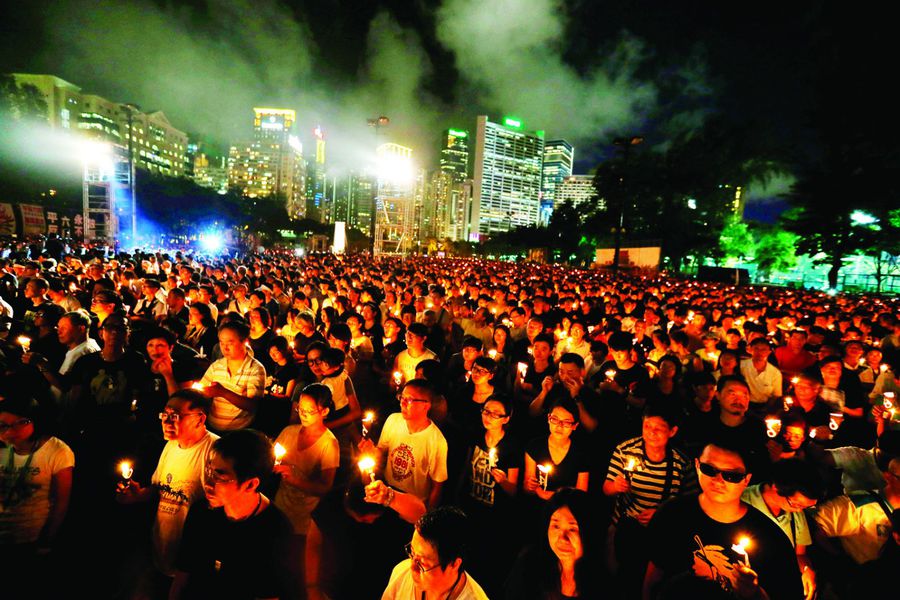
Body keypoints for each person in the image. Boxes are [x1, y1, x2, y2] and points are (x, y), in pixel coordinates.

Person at [643, 439, 803, 600]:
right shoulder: (672, 514)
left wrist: (754, 593)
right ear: (697, 466)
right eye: (709, 469)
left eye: (731, 475)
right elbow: (653, 578)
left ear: (746, 479)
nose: (718, 480)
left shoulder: (771, 537)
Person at [171, 429, 292, 600]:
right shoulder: (202, 512)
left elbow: (268, 595)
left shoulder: (274, 530)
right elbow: (183, 574)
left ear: (250, 485)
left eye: (219, 476)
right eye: (209, 471)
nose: (208, 483)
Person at [115, 389, 218, 587]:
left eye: (175, 416)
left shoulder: (214, 451)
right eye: (165, 415)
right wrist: (137, 495)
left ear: (200, 419)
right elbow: (159, 489)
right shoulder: (171, 445)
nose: (166, 422)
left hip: (190, 560)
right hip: (160, 548)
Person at [604, 401, 696, 597]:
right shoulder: (625, 450)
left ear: (672, 431)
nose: (651, 433)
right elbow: (606, 488)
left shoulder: (681, 463)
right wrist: (616, 486)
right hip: (627, 526)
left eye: (659, 428)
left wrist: (662, 514)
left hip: (663, 532)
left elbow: (690, 504)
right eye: (647, 426)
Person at [273, 383, 339, 598]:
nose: (304, 415)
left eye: (310, 411)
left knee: (297, 570)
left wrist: (294, 480)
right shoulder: (288, 432)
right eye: (300, 409)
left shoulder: (329, 444)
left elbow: (325, 487)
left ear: (325, 411)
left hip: (305, 518)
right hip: (280, 506)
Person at [0, 394, 74, 575]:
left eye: (21, 423)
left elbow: (61, 501)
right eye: (3, 426)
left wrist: (47, 540)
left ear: (36, 420)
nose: (10, 432)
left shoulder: (57, 451)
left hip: (30, 536)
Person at [740, 459, 824, 600]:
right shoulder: (742, 501)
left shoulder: (796, 513)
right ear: (776, 486)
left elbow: (800, 554)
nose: (799, 510)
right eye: (796, 504)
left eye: (805, 507)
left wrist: (806, 570)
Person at [360, 379, 448, 508]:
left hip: (414, 502)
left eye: (410, 399)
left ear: (426, 405)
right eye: (402, 397)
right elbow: (381, 452)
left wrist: (427, 516)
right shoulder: (393, 420)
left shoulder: (436, 441)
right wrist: (371, 451)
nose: (403, 403)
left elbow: (437, 484)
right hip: (387, 491)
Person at [505, 488, 603, 599]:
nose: (562, 538)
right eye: (556, 526)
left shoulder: (602, 584)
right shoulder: (529, 567)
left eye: (572, 529)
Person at [381, 505, 489, 600]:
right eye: (412, 553)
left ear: (454, 564)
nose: (411, 566)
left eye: (422, 563)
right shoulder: (401, 573)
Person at [198, 320, 266, 432]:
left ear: (244, 341)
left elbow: (253, 405)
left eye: (230, 343)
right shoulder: (216, 366)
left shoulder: (255, 368)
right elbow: (201, 390)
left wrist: (223, 392)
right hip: (212, 428)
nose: (225, 348)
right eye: (221, 343)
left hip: (239, 432)